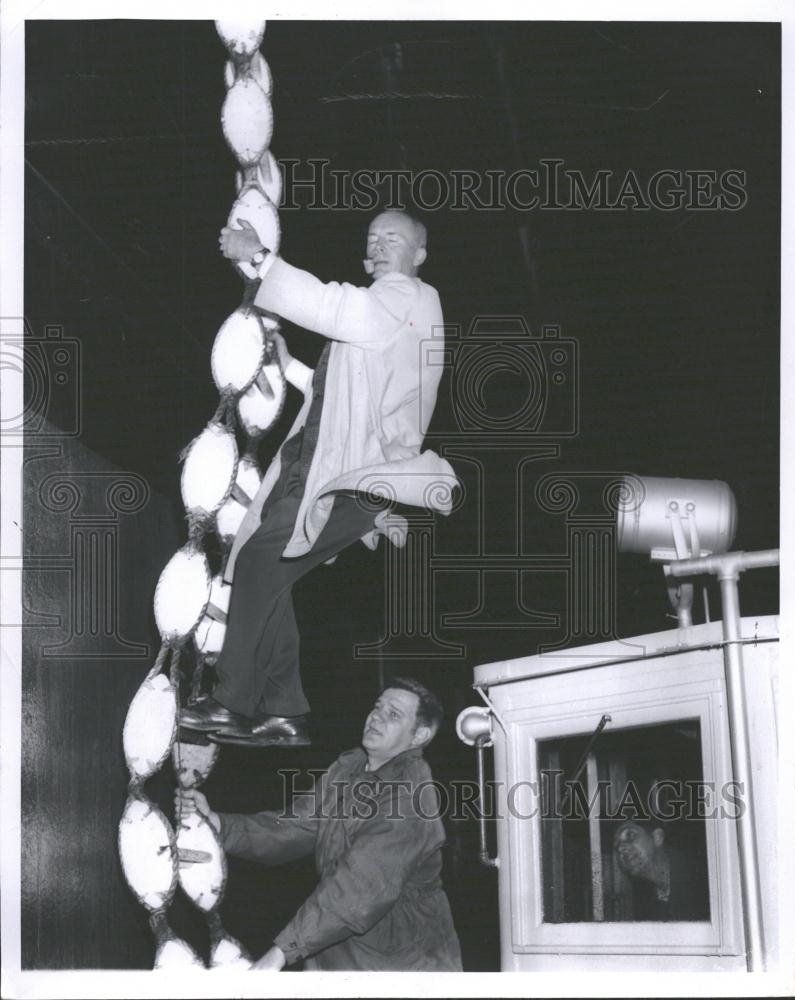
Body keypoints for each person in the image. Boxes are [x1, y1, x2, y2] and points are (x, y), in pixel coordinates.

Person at [180, 210, 457, 746]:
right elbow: (348, 394)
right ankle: (283, 711)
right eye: (372, 238)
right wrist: (290, 369)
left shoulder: (409, 296)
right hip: (329, 472)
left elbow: (339, 308)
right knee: (269, 570)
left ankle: (233, 702)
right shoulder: (392, 311)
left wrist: (259, 258)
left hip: (346, 477)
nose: (377, 247)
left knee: (262, 560)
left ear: (419, 255)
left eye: (392, 239)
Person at [176, 677, 464, 971]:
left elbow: (358, 891)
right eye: (378, 707)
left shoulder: (410, 797)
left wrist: (280, 954)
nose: (377, 716)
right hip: (337, 949)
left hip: (402, 966)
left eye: (393, 715)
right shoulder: (350, 767)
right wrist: (219, 825)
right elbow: (294, 827)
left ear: (419, 736)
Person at [612, 819, 710, 921]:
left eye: (630, 835)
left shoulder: (702, 878)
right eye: (616, 845)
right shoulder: (644, 898)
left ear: (657, 837)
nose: (620, 848)